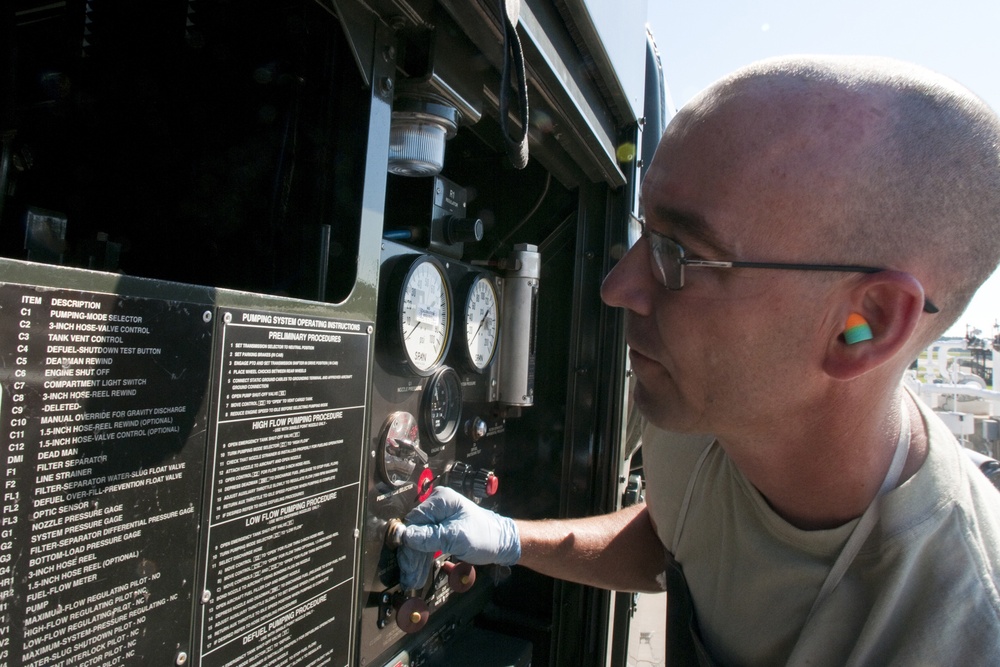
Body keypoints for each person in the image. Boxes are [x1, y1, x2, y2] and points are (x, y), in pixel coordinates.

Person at [397, 55, 1000, 665]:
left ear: (866, 325)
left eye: (678, 254)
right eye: (643, 234)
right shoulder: (704, 414)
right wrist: (508, 538)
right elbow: (673, 537)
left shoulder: (959, 630)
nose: (616, 287)